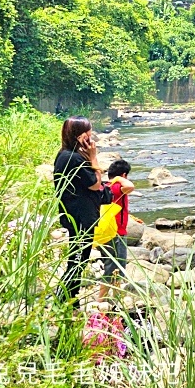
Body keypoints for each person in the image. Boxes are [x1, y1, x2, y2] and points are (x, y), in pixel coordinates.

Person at [54, 116, 107, 308]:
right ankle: (64, 301)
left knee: (78, 258)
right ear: (79, 135)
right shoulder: (74, 158)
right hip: (81, 217)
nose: (91, 136)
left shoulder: (65, 154)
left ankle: (69, 299)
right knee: (77, 259)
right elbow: (94, 184)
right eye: (88, 132)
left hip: (75, 215)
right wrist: (93, 157)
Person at [98, 158, 135, 300]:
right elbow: (130, 186)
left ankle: (116, 302)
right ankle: (100, 303)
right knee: (113, 269)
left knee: (114, 268)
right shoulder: (116, 187)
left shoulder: (105, 186)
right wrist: (120, 178)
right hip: (116, 234)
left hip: (106, 232)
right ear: (124, 175)